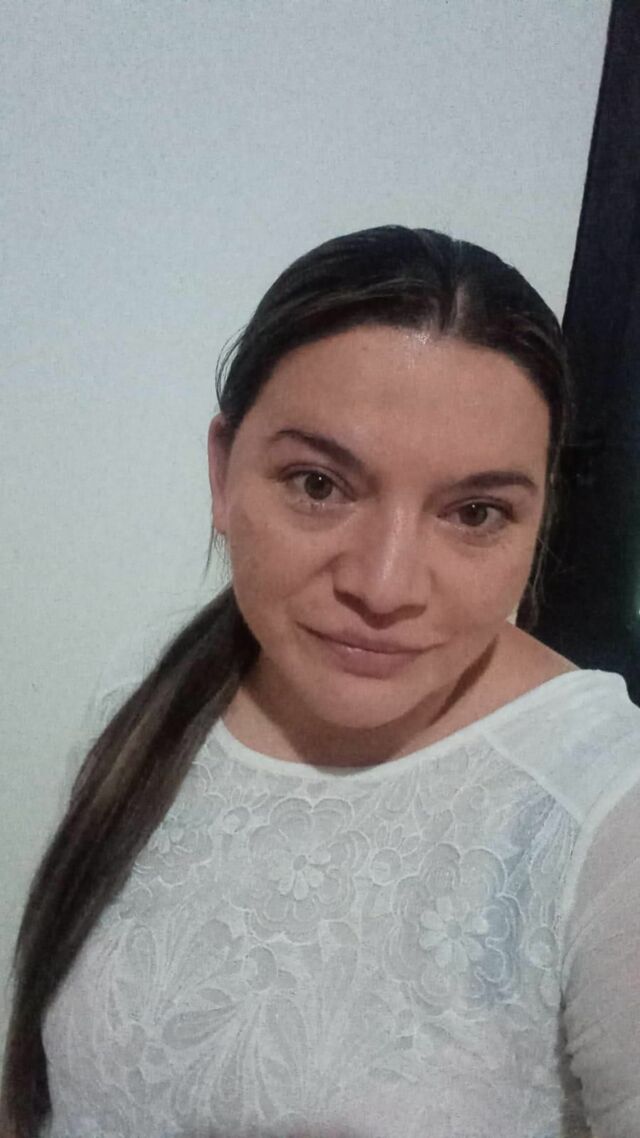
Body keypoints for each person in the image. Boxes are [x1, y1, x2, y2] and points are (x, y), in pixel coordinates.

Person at [2, 226, 640, 1138]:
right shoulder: (150, 692)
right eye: (317, 485)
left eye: (474, 512)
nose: (384, 586)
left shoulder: (605, 816)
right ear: (224, 473)